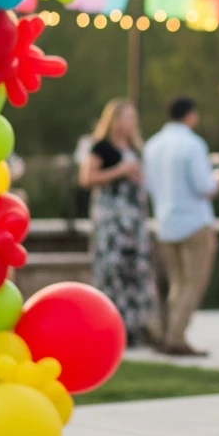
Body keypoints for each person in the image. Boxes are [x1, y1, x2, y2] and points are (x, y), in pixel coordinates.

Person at [144, 96, 219, 357]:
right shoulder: (192, 144)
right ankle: (176, 337)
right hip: (194, 222)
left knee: (177, 282)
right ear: (190, 115)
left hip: (165, 221)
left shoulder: (153, 145)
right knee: (194, 282)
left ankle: (167, 333)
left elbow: (150, 185)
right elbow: (204, 186)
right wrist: (218, 180)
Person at [79, 98, 156, 347]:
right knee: (113, 272)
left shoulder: (135, 147)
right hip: (112, 221)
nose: (133, 122)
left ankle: (137, 327)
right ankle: (110, 326)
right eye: (128, 117)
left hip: (134, 221)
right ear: (115, 120)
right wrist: (120, 171)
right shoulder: (101, 147)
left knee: (136, 271)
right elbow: (87, 178)